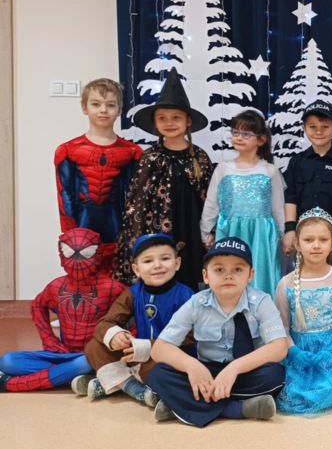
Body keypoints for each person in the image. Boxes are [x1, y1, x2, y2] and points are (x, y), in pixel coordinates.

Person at [146, 237, 288, 426]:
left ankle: (181, 405)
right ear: (206, 276)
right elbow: (159, 349)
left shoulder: (261, 301)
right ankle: (237, 409)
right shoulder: (196, 303)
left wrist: (234, 369)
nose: (228, 276)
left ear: (250, 275)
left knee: (274, 376)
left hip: (245, 371)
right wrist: (192, 367)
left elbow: (279, 347)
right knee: (157, 374)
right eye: (219, 270)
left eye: (238, 270)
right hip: (207, 371)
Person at [113, 68, 213, 290]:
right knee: (162, 275)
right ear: (155, 122)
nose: (170, 123)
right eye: (162, 118)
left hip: (191, 227)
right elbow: (137, 202)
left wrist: (210, 231)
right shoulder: (150, 157)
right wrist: (136, 236)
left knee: (189, 275)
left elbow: (209, 198)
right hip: (158, 230)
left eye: (176, 117)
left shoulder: (200, 157)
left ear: (188, 121)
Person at [72, 233, 194, 406]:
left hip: (167, 356)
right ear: (136, 269)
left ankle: (115, 382)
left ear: (177, 263)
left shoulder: (186, 295)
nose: (157, 265)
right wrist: (115, 335)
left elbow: (190, 337)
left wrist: (148, 347)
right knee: (94, 346)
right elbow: (105, 323)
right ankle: (133, 387)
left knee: (161, 370)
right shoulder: (134, 293)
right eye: (148, 261)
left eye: (165, 258)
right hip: (136, 353)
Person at [0, 229, 125, 392]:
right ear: (61, 255)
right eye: (70, 252)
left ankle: (10, 384)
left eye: (87, 253)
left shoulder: (113, 288)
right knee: (7, 361)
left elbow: (134, 314)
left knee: (85, 362)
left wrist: (121, 345)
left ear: (98, 254)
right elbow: (37, 306)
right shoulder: (55, 286)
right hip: (63, 354)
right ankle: (75, 374)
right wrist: (49, 339)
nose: (78, 260)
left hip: (95, 354)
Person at [274, 208, 332, 414]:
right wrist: (294, 352)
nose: (316, 245)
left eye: (323, 240)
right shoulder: (285, 284)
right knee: (293, 391)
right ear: (297, 244)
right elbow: (282, 329)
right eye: (308, 240)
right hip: (298, 350)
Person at [54, 78, 142, 269]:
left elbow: (135, 198)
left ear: (119, 110)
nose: (103, 110)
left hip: (117, 225)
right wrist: (69, 234)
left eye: (110, 105)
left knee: (117, 279)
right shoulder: (67, 150)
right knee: (83, 278)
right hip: (81, 224)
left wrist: (133, 233)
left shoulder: (132, 151)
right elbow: (64, 194)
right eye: (96, 104)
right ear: (84, 107)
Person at [200, 109, 285, 296]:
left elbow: (278, 207)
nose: (239, 137)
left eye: (246, 134)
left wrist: (283, 235)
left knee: (260, 274)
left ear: (261, 140)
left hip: (262, 236)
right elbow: (212, 204)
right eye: (236, 132)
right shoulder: (223, 169)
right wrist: (206, 233)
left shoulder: (269, 171)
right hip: (230, 233)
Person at [282, 100, 332, 270]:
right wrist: (290, 230)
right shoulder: (297, 162)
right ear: (304, 129)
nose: (318, 131)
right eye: (312, 127)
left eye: (325, 126)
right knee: (304, 276)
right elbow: (290, 197)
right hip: (304, 234)